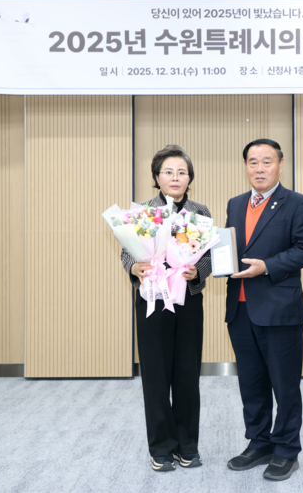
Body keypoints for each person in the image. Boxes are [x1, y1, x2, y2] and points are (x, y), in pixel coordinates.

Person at [224, 139, 303, 481]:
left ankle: (287, 450)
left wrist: (267, 266)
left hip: (280, 310)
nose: (259, 168)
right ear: (245, 167)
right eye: (253, 162)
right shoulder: (235, 204)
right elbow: (230, 249)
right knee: (251, 384)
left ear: (280, 164)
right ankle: (259, 442)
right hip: (240, 309)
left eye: (267, 161)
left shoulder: (297, 203)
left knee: (284, 384)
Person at [120, 145, 212, 472]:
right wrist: (135, 268)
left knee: (187, 374)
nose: (175, 177)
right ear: (157, 177)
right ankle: (160, 447)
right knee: (156, 375)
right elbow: (127, 252)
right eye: (168, 172)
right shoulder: (145, 211)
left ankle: (188, 445)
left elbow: (208, 255)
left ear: (190, 178)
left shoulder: (200, 212)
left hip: (188, 301)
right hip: (152, 301)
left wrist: (198, 271)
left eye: (182, 172)